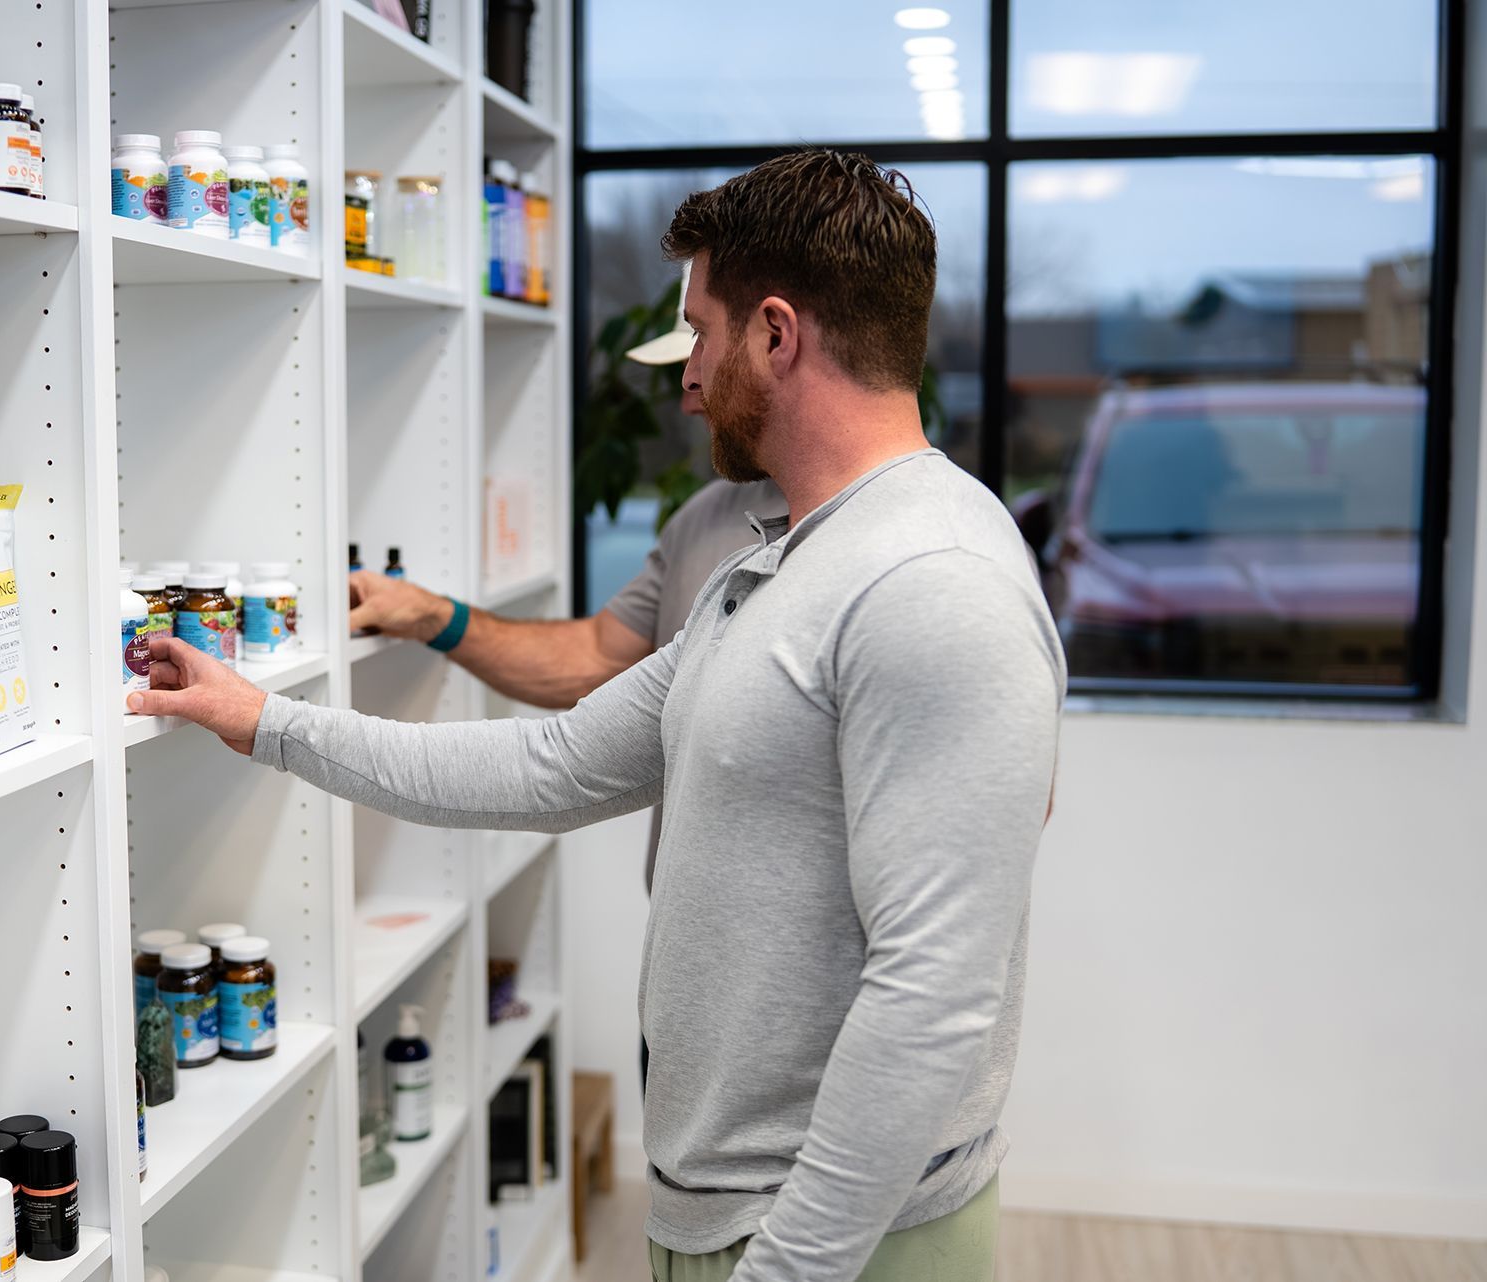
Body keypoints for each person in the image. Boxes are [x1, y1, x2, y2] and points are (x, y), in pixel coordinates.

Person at [130, 149, 1064, 1282]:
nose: (692, 369)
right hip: (723, 1215)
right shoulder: (771, 566)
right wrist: (264, 722)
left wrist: (788, 1267)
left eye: (703, 333)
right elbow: (552, 765)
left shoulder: (934, 580)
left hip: (846, 1243)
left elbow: (934, 994)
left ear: (777, 335)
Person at [347, 261, 784, 889]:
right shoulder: (702, 521)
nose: (689, 387)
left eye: (701, 345)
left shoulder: (902, 558)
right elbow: (592, 668)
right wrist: (433, 616)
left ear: (775, 338)